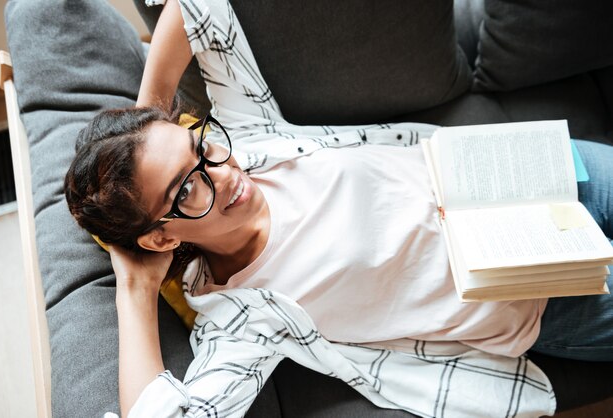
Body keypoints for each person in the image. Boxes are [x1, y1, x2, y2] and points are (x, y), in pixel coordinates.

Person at [65, 1, 613, 417]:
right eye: (188, 189)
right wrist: (134, 288)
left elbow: (198, 9)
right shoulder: (243, 318)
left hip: (528, 174)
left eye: (200, 147)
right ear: (160, 237)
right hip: (546, 289)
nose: (225, 174)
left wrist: (146, 127)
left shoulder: (254, 141)